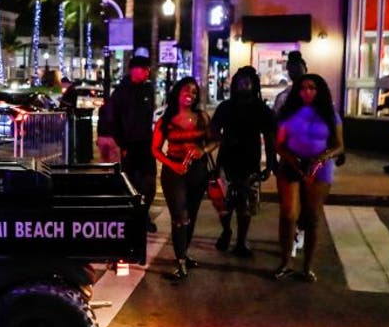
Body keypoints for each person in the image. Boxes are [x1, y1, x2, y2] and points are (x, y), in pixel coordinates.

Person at [273, 73, 344, 282]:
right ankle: (285, 262)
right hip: (291, 165)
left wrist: (324, 156)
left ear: (319, 90)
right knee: (288, 214)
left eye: (312, 88)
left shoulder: (330, 114)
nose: (307, 92)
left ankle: (307, 267)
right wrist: (290, 158)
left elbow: (340, 145)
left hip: (319, 168)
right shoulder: (288, 113)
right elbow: (278, 143)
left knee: (312, 217)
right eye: (303, 88)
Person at [209, 66, 277, 258]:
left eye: (247, 82)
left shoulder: (261, 109)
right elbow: (213, 130)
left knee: (245, 205)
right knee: (224, 203)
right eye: (239, 82)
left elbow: (270, 138)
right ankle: (226, 230)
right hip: (226, 160)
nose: (243, 85)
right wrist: (220, 140)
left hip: (250, 162)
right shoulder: (226, 107)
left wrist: (270, 165)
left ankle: (241, 242)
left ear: (253, 84)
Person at [152, 76, 215, 281]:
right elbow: (155, 149)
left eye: (194, 92)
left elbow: (215, 140)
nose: (191, 94)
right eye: (187, 90)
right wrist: (173, 165)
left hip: (198, 170)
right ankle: (180, 262)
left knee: (191, 216)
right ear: (178, 92)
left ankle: (184, 255)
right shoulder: (165, 119)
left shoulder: (202, 117)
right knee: (179, 216)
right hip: (173, 172)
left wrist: (202, 149)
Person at [100, 48, 158, 232]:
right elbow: (111, 119)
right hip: (129, 146)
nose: (147, 72)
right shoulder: (121, 93)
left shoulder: (148, 89)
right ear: (133, 70)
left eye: (148, 69)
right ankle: (134, 218)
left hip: (147, 144)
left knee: (149, 183)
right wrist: (121, 144)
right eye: (144, 69)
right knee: (131, 184)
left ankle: (143, 214)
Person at [272, 50, 307, 114]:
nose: (295, 69)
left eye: (297, 66)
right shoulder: (283, 96)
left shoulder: (283, 95)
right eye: (292, 67)